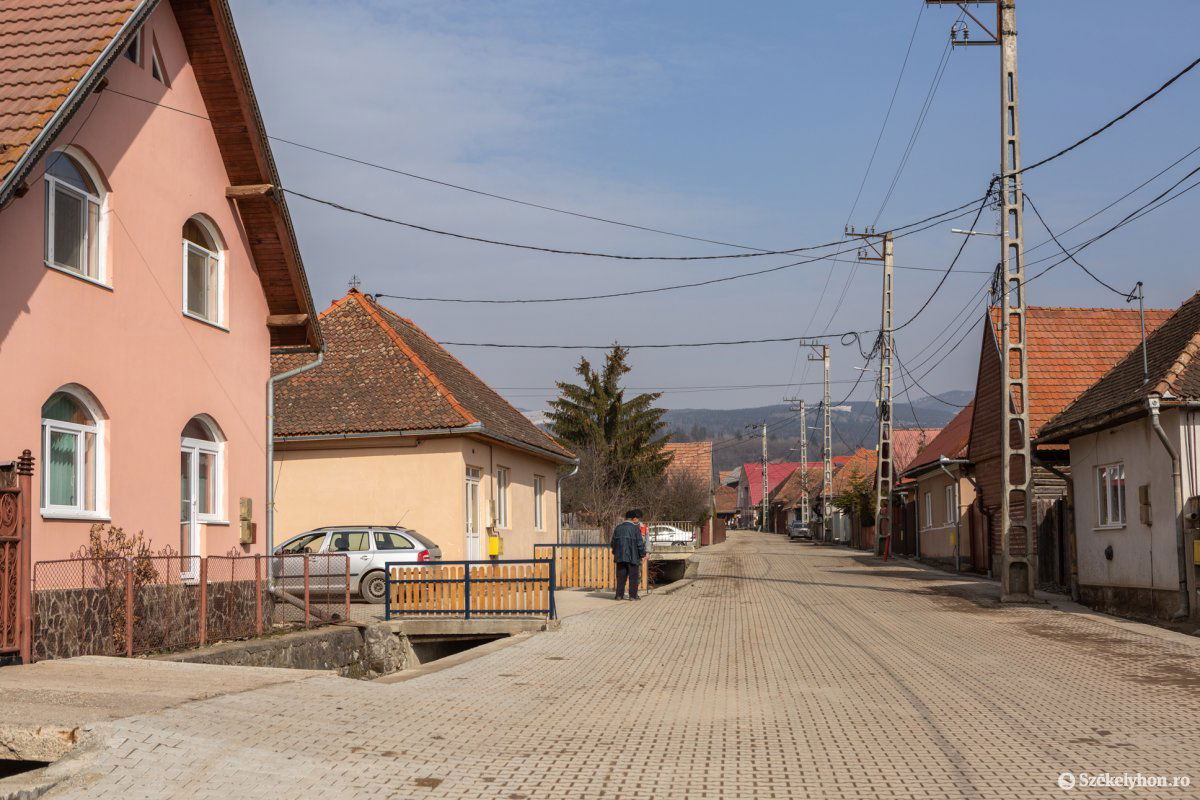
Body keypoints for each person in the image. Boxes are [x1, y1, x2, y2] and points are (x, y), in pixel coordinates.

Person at [610, 509, 647, 600]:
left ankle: (619, 595)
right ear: (633, 518)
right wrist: (642, 554)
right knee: (633, 577)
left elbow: (613, 543)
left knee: (621, 577)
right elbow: (639, 544)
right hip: (633, 557)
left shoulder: (618, 528)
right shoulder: (635, 529)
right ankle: (632, 596)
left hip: (620, 557)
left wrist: (615, 552)